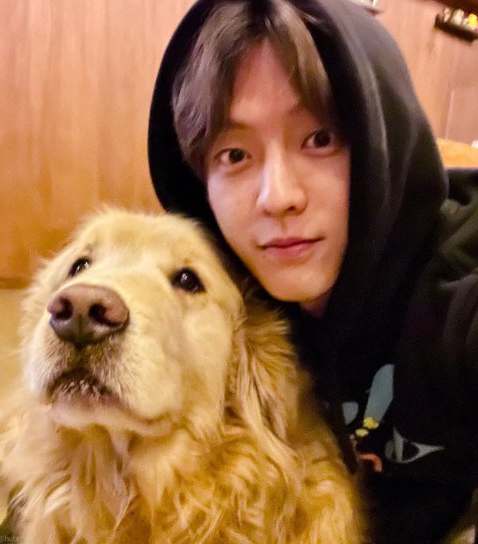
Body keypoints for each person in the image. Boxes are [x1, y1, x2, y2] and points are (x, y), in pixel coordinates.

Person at [148, 1, 478, 542]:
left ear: (385, 138)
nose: (277, 197)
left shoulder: (457, 298)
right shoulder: (215, 309)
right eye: (234, 155)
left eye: (320, 139)